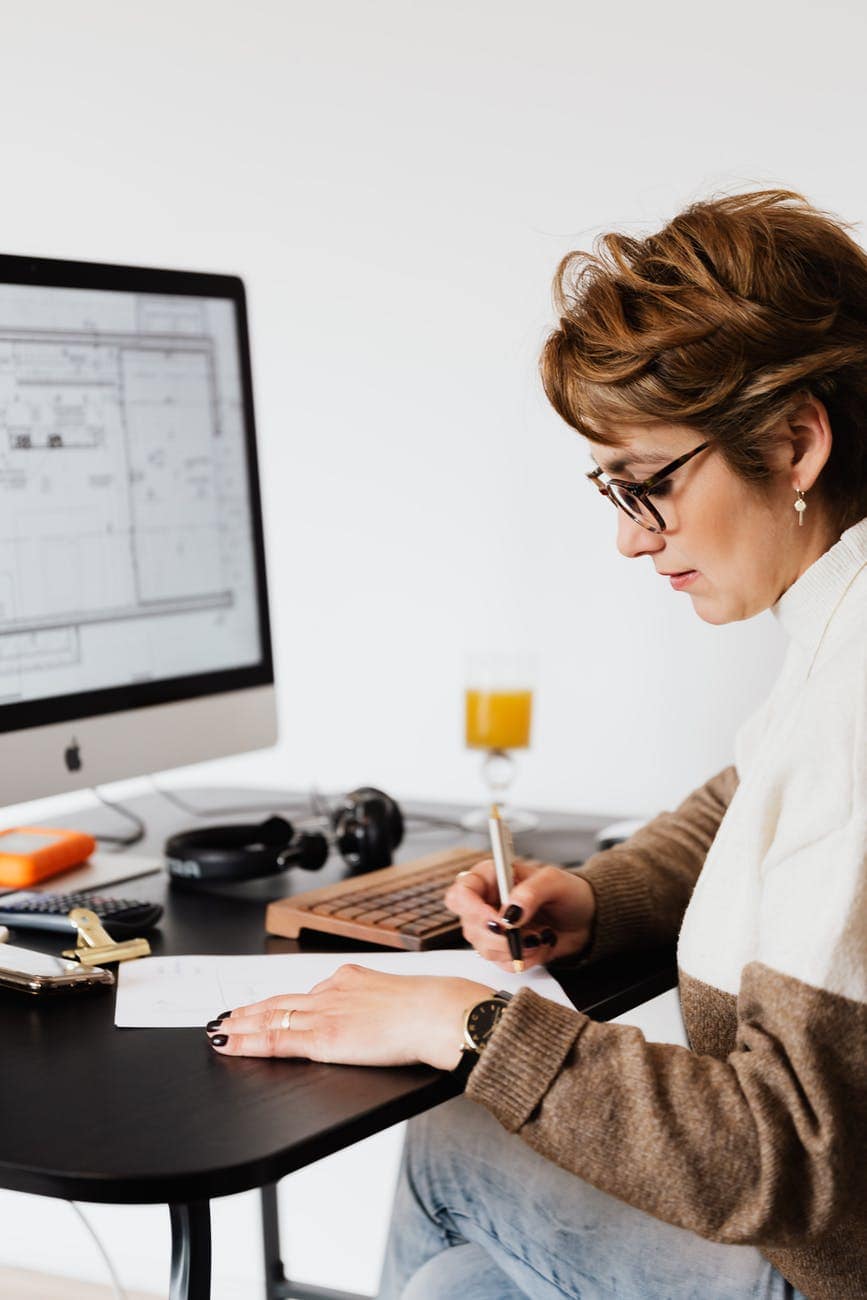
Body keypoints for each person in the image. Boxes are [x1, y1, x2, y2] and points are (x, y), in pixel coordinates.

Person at [207, 190, 867, 1300]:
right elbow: (747, 798)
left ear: (796, 441)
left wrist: (460, 1023)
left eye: (648, 483)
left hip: (827, 1264)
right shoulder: (835, 622)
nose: (627, 535)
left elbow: (792, 1157)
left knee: (456, 1140)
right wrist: (601, 903)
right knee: (454, 1289)